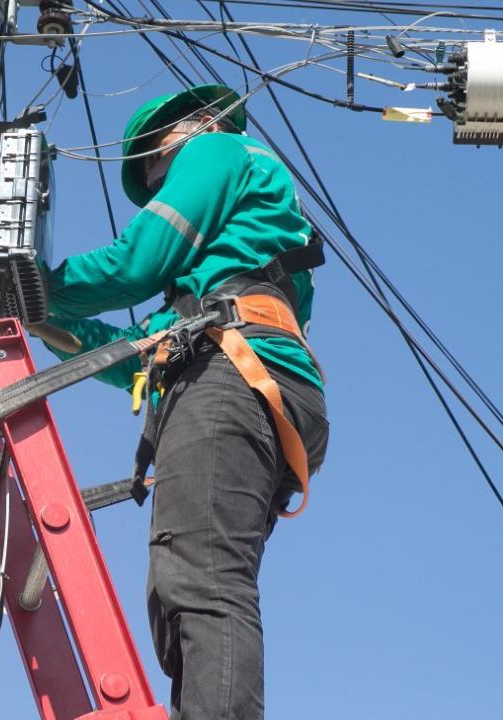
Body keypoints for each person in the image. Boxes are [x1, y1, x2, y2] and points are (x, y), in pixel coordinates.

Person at [36, 84, 329, 719]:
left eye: (153, 155)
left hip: (235, 373)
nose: (150, 176)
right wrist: (46, 321)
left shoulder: (218, 148)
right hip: (247, 376)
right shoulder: (215, 283)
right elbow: (133, 359)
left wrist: (36, 285)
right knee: (183, 591)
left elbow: (134, 265)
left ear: (197, 125)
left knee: (201, 581)